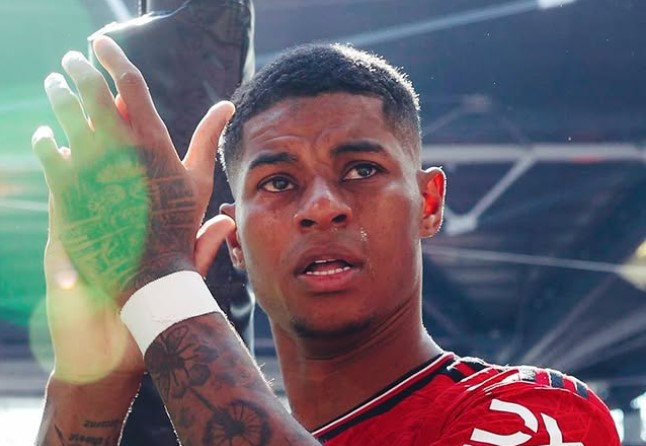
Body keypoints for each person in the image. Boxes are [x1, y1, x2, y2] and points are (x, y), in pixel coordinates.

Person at [32, 36, 620, 445]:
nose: (320, 208)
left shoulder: (535, 414)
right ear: (236, 242)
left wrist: (160, 282)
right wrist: (92, 381)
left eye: (361, 170)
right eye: (278, 182)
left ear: (429, 203)